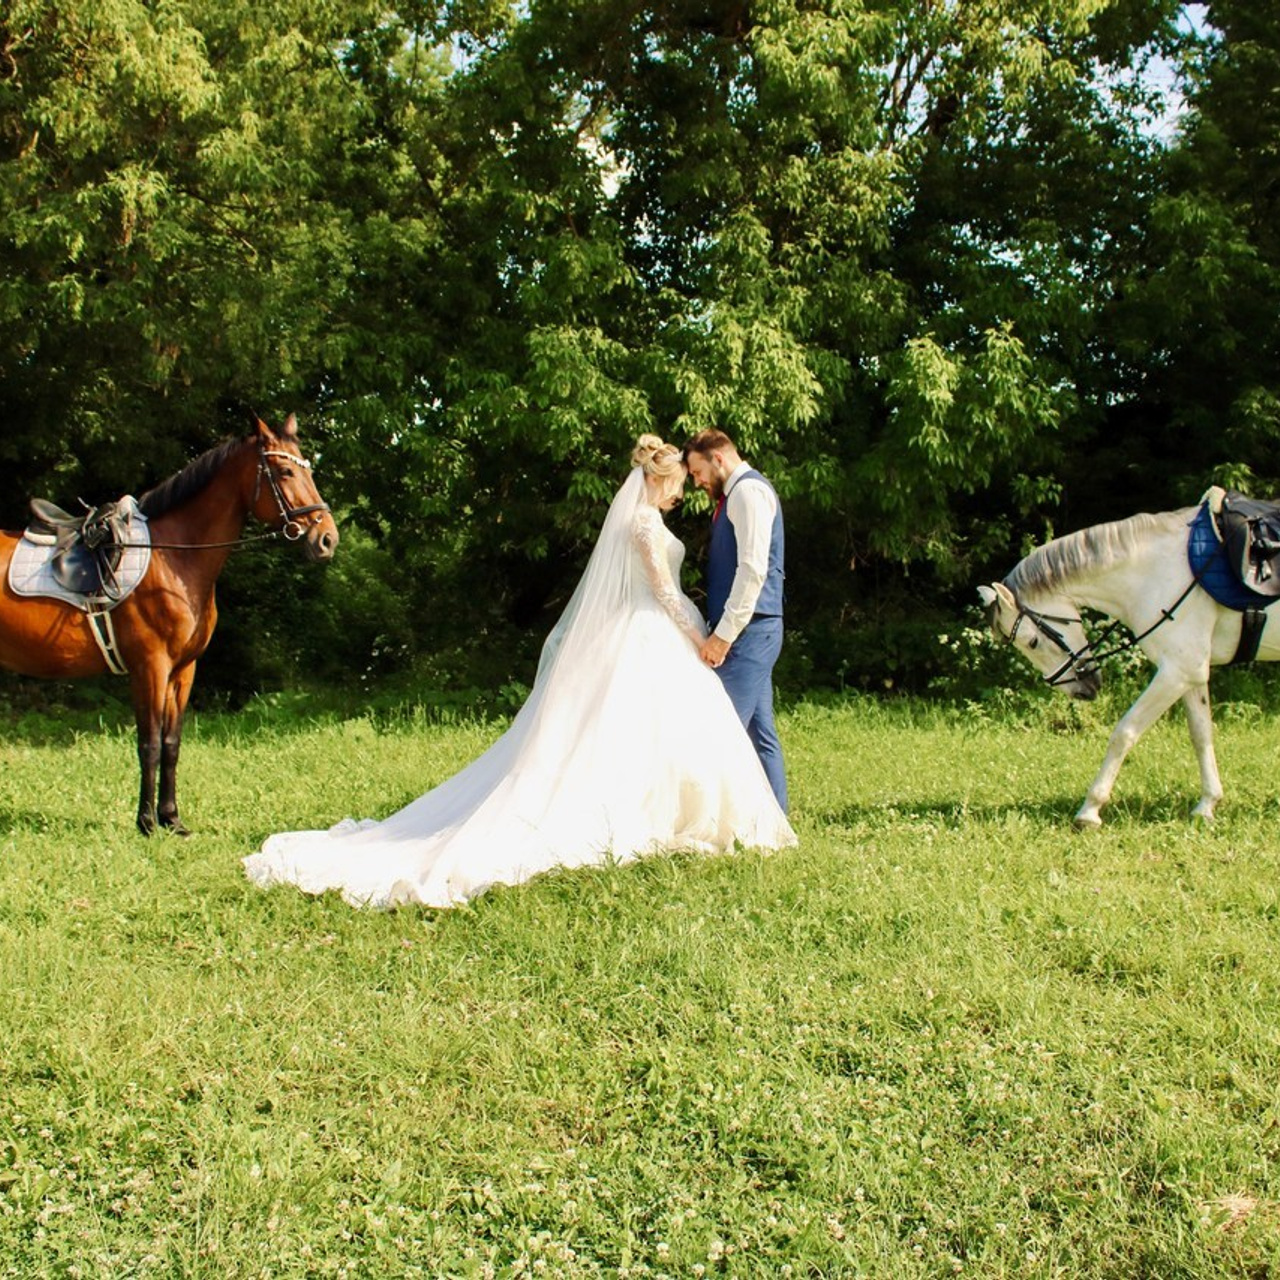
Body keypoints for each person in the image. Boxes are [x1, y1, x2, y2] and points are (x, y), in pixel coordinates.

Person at [243, 434, 796, 909]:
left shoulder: (668, 514)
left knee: (678, 731)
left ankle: (729, 818)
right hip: (654, 630)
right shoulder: (646, 526)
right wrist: (704, 636)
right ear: (663, 478)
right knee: (688, 729)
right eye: (682, 481)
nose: (686, 492)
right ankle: (718, 822)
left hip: (653, 634)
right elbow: (665, 595)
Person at [682, 429, 787, 812]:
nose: (696, 481)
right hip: (749, 630)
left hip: (750, 631)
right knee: (761, 734)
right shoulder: (734, 496)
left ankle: (713, 821)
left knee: (718, 728)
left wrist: (723, 637)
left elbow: (752, 571)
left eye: (697, 472)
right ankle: (776, 819)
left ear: (719, 459)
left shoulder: (748, 493)